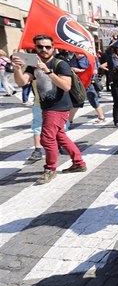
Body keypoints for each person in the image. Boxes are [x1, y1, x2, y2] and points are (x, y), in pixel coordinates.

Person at [12, 34, 87, 184]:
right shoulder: (33, 64)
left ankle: (50, 169)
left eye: (47, 47)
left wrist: (47, 71)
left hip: (59, 107)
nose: (44, 49)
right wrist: (17, 69)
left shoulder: (60, 64)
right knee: (60, 136)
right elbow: (22, 82)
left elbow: (66, 86)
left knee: (46, 138)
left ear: (53, 48)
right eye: (40, 46)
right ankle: (79, 163)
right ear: (35, 48)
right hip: (45, 106)